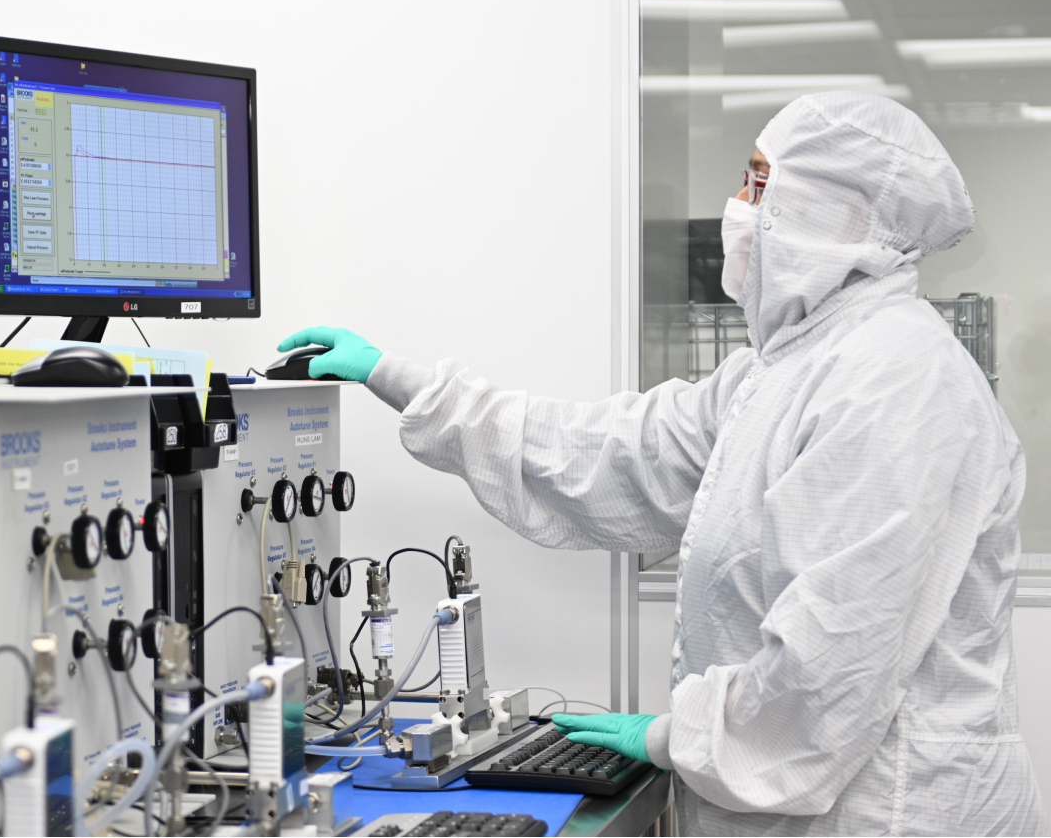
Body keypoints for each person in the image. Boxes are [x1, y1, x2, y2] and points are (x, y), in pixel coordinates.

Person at [279, 92, 1047, 835]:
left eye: (759, 182)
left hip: (898, 812)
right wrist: (402, 379)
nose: (737, 207)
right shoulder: (785, 369)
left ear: (837, 214)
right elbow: (619, 452)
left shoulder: (895, 384)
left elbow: (830, 666)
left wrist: (673, 736)